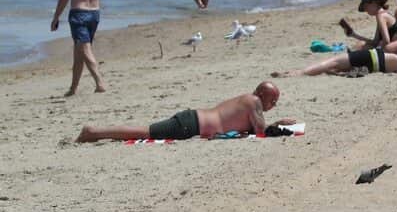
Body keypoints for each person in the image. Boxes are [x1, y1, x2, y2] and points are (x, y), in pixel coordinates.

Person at [76, 82, 294, 142]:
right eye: (273, 100)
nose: (273, 104)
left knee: (144, 131)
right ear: (263, 95)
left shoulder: (247, 99)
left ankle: (95, 132)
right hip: (191, 124)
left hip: (192, 120)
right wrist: (279, 125)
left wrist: (274, 122)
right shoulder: (254, 102)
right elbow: (260, 131)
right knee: (143, 132)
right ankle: (94, 132)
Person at [272, 34, 397, 77]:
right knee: (338, 67)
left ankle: (298, 73)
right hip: (381, 67)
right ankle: (304, 73)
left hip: (376, 58)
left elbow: (388, 47)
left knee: (333, 61)